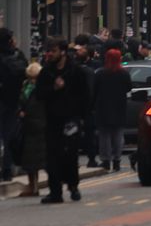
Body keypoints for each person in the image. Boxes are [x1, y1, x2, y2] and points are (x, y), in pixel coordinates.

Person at [34, 37, 89, 204]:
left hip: (71, 119)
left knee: (70, 155)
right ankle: (55, 192)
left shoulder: (76, 71)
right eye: (49, 51)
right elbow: (39, 94)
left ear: (63, 52)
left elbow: (85, 96)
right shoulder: (46, 72)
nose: (50, 54)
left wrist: (81, 117)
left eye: (54, 51)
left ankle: (73, 186)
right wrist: (54, 88)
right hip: (52, 120)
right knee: (52, 156)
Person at [92, 48, 131, 172]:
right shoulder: (124, 73)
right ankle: (117, 160)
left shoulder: (100, 74)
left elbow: (94, 91)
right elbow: (128, 88)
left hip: (103, 107)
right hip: (119, 107)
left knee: (104, 136)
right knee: (118, 135)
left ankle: (106, 160)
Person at [0, 27, 28, 182]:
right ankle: (7, 170)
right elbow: (26, 73)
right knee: (8, 136)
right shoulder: (18, 56)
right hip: (12, 101)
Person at [17, 62, 45, 196]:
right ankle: (33, 186)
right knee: (30, 159)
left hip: (37, 125)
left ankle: (34, 186)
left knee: (35, 159)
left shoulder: (41, 89)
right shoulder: (25, 87)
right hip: (29, 126)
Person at [70, 39, 99, 168]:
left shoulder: (74, 70)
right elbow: (92, 91)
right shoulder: (88, 72)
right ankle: (90, 159)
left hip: (79, 107)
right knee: (87, 135)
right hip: (85, 108)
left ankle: (80, 159)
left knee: (77, 134)